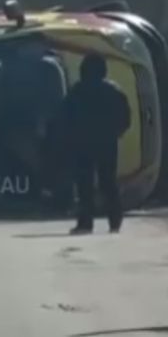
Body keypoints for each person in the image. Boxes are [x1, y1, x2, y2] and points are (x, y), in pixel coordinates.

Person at [59, 52, 131, 234]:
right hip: (107, 143)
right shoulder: (115, 91)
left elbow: (65, 119)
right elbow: (125, 118)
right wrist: (116, 133)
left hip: (83, 144)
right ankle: (115, 220)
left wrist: (69, 140)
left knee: (85, 185)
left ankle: (85, 222)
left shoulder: (77, 91)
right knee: (108, 182)